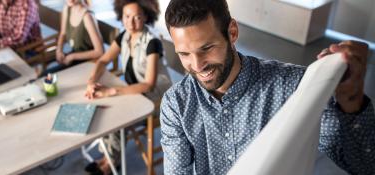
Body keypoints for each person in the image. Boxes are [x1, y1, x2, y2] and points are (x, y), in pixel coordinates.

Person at [160, 0, 375, 174]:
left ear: (232, 32)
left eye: (207, 48)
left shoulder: (293, 87)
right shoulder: (176, 104)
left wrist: (352, 104)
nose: (197, 65)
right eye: (184, 54)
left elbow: (364, 165)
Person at [83, 0, 171, 174]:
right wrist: (92, 80)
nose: (131, 22)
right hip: (136, 92)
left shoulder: (152, 43)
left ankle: (110, 162)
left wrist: (112, 91)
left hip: (157, 100)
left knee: (115, 116)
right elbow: (103, 60)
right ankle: (108, 156)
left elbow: (148, 84)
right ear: (121, 16)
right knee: (104, 107)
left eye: (137, 17)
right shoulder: (124, 36)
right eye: (127, 16)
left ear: (146, 16)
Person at [47, 0, 103, 73]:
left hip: (88, 63)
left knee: (48, 77)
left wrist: (72, 56)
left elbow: (99, 52)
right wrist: (59, 50)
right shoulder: (67, 9)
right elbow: (63, 33)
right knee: (44, 76)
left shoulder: (87, 16)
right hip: (74, 59)